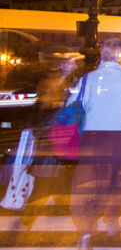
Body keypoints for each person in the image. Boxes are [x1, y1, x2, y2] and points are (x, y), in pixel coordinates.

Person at [70, 38, 121, 250]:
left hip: (91, 136)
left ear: (103, 54)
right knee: (116, 180)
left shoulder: (88, 79)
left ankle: (86, 231)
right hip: (118, 137)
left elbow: (74, 105)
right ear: (120, 55)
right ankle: (112, 219)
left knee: (91, 182)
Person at [18, 55, 81, 229]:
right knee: (44, 182)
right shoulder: (55, 88)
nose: (73, 66)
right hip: (52, 142)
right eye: (70, 63)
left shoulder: (56, 86)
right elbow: (50, 116)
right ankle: (28, 217)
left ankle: (61, 207)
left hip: (52, 141)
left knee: (58, 179)